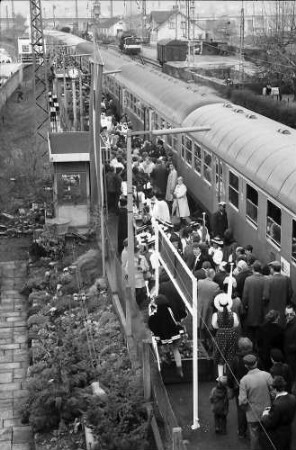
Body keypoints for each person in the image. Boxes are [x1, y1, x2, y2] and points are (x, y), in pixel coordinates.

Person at [238, 354, 273, 450]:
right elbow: (274, 393)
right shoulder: (267, 375)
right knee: (267, 435)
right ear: (256, 362)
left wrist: (246, 410)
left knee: (254, 436)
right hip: (267, 412)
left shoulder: (244, 380)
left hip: (252, 414)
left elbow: (242, 401)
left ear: (246, 365)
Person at [148, 294, 185, 377]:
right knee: (175, 350)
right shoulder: (170, 309)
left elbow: (151, 323)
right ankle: (179, 369)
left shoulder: (156, 312)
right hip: (174, 333)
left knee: (165, 347)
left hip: (163, 335)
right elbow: (178, 317)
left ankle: (168, 359)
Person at [228, 337, 254, 439]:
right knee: (254, 407)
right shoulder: (256, 357)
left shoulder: (236, 359)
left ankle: (242, 432)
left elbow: (230, 375)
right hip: (253, 385)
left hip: (240, 387)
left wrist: (230, 387)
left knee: (241, 409)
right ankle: (254, 430)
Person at [260, 376, 296, 450]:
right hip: (289, 432)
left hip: (279, 435)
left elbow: (270, 423)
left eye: (271, 390)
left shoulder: (277, 404)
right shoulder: (293, 398)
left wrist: (265, 414)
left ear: (275, 389)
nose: (271, 392)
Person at [212, 293, 240, 378]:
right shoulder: (233, 314)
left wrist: (222, 328)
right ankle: (228, 376)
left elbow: (214, 325)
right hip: (231, 334)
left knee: (220, 354)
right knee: (230, 354)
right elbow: (236, 324)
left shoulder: (215, 315)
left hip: (220, 334)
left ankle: (220, 377)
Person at [263, 260, 293, 327]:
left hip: (271, 307)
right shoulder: (287, 279)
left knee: (272, 325)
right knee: (281, 323)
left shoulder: (269, 280)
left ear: (272, 269)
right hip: (283, 307)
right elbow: (290, 293)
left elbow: (266, 296)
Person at [242, 261, 265, 345]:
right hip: (261, 309)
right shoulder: (265, 279)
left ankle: (251, 345)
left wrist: (243, 306)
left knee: (251, 331)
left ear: (253, 269)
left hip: (251, 308)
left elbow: (245, 295)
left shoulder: (248, 280)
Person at [197, 268, 220, 351]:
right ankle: (207, 345)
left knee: (199, 326)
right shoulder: (216, 286)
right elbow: (216, 299)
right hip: (209, 309)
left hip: (199, 307)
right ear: (213, 275)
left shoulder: (199, 282)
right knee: (207, 327)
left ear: (206, 274)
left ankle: (200, 342)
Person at [283, 304, 296, 377]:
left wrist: (289, 348)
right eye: (287, 314)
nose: (289, 316)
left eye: (291, 314)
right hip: (288, 354)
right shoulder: (288, 323)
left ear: (294, 313)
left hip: (292, 355)